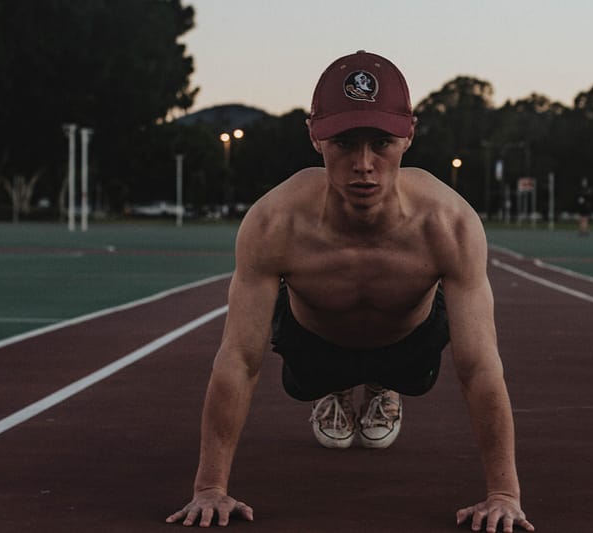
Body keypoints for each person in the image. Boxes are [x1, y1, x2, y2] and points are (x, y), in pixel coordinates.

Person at [165, 50, 534, 532]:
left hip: (408, 345)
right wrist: (209, 487)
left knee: (418, 369)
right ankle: (335, 389)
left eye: (380, 142)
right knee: (304, 382)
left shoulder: (449, 223)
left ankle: (383, 386)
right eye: (343, 142)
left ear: (408, 135)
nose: (364, 164)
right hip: (315, 344)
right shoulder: (274, 222)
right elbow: (238, 358)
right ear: (315, 138)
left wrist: (503, 494)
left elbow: (480, 365)